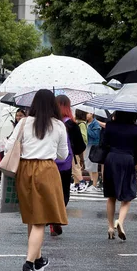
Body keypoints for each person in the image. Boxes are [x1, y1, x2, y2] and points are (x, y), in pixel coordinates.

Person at [6, 89, 68, 271]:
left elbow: (9, 146)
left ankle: (38, 259)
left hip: (24, 170)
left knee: (32, 217)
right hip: (46, 170)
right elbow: (63, 155)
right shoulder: (58, 125)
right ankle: (28, 264)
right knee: (41, 221)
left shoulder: (23, 122)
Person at [103, 111, 137, 241]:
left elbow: (104, 143)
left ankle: (110, 227)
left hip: (111, 158)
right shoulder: (135, 129)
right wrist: (135, 163)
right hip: (127, 159)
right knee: (127, 194)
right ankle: (120, 221)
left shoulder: (110, 126)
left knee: (111, 195)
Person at [52, 95, 85, 236]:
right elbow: (79, 147)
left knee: (51, 193)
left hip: (49, 164)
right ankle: (56, 219)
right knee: (64, 193)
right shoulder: (71, 125)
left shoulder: (49, 123)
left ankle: (52, 219)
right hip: (65, 164)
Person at [84, 112, 102, 192]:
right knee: (88, 164)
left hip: (93, 146)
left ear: (92, 114)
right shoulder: (86, 123)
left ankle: (94, 184)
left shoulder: (95, 123)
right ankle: (92, 182)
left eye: (88, 113)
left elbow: (96, 135)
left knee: (93, 165)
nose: (86, 115)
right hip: (87, 145)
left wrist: (87, 130)